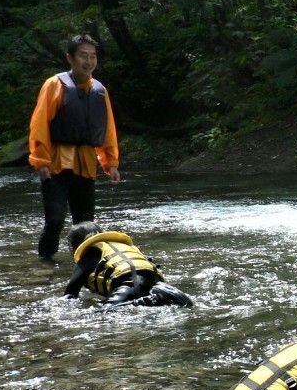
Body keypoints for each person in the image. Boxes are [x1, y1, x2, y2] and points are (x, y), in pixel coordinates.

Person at [28, 34, 121, 260]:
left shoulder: (100, 90)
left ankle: (85, 265)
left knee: (85, 223)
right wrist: (40, 160)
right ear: (70, 58)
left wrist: (111, 163)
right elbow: (39, 124)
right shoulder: (54, 85)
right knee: (55, 220)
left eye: (92, 56)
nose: (88, 61)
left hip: (86, 164)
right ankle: (45, 263)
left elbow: (107, 128)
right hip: (56, 164)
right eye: (83, 56)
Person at [64, 221, 193, 308]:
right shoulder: (121, 246)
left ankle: (150, 300)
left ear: (76, 246)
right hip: (154, 279)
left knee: (105, 313)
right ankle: (158, 296)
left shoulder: (87, 255)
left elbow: (70, 294)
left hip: (127, 283)